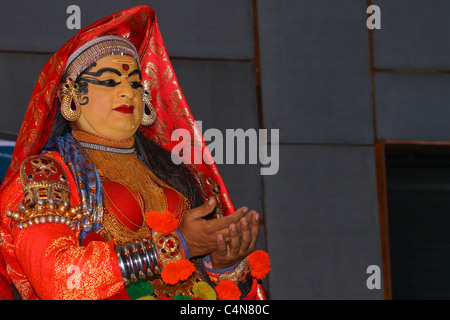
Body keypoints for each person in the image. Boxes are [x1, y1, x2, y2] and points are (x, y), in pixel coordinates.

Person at [0, 5, 269, 300]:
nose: (128, 92)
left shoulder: (181, 174)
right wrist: (175, 244)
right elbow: (61, 280)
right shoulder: (47, 174)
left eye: (135, 83)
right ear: (72, 95)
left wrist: (223, 265)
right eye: (109, 81)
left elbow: (226, 292)